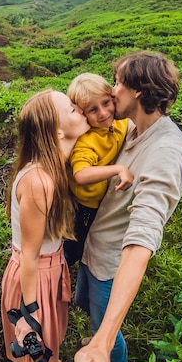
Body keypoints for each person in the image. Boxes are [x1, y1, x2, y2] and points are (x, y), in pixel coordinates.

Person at [72, 51, 182, 362]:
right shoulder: (130, 129)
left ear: (138, 91)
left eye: (118, 83)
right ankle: (98, 336)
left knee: (103, 320)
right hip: (94, 246)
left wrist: (103, 340)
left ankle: (114, 359)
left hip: (111, 261)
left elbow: (143, 237)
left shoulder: (166, 151)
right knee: (89, 308)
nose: (113, 91)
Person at [0, 89, 90, 362]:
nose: (82, 110)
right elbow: (29, 255)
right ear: (57, 129)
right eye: (73, 109)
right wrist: (31, 310)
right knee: (33, 346)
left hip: (50, 268)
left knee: (51, 335)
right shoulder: (39, 181)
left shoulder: (55, 168)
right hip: (34, 276)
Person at [64, 73, 132, 267]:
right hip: (85, 205)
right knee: (75, 248)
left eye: (105, 103)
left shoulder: (121, 121)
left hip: (103, 202)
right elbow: (81, 174)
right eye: (92, 109)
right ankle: (54, 274)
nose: (103, 113)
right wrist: (117, 168)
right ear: (82, 114)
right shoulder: (86, 141)